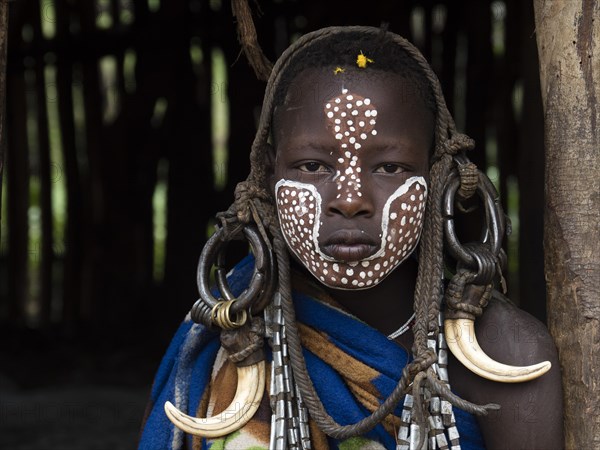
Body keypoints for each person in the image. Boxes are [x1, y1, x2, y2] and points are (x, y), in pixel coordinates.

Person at [137, 25, 563, 450]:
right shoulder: (221, 338)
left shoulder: (505, 350)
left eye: (390, 168)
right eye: (313, 166)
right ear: (268, 176)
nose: (350, 200)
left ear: (437, 174)